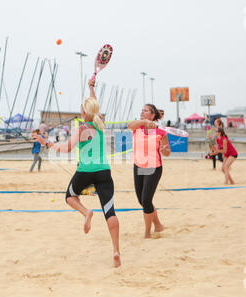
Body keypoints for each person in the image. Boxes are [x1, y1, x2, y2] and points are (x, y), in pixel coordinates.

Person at [36, 79, 121, 267]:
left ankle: (86, 212)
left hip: (85, 171)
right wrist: (91, 88)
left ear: (83, 112)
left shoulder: (81, 128)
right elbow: (95, 106)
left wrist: (47, 144)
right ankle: (116, 251)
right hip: (104, 171)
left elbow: (66, 148)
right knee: (110, 211)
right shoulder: (100, 125)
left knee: (69, 196)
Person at [127, 104, 171, 238]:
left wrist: (164, 150)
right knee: (141, 200)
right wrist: (143, 122)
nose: (142, 112)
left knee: (146, 200)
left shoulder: (160, 132)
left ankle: (147, 233)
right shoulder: (137, 128)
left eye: (145, 111)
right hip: (138, 166)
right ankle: (158, 225)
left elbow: (167, 152)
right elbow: (130, 125)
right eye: (141, 110)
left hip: (153, 167)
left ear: (152, 115)